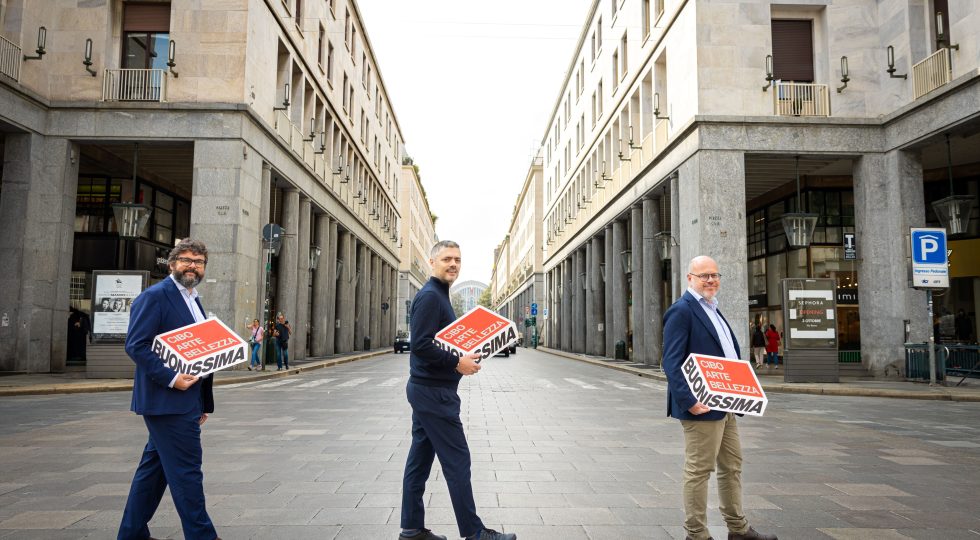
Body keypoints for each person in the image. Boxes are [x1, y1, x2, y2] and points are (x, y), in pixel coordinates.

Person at [400, 240, 516, 540]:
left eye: (457, 259)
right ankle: (475, 533)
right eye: (447, 259)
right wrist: (457, 362)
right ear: (432, 262)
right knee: (457, 460)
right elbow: (420, 345)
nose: (453, 264)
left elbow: (438, 341)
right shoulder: (430, 296)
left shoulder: (439, 294)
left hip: (429, 390)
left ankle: (411, 530)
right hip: (434, 393)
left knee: (419, 461)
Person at [662, 256, 777, 540]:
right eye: (704, 275)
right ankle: (696, 534)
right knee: (699, 470)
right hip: (701, 406)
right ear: (690, 278)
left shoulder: (713, 307)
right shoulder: (682, 311)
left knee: (732, 466)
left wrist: (739, 392)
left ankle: (738, 529)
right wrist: (689, 401)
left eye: (714, 275)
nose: (711, 280)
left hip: (725, 404)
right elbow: (671, 362)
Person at [117, 239, 219, 540]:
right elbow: (136, 345)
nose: (192, 266)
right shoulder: (155, 296)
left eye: (198, 262)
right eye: (186, 260)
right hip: (167, 400)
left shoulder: (193, 298)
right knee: (187, 473)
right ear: (172, 264)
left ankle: (132, 534)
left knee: (153, 472)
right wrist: (172, 378)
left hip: (185, 401)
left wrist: (201, 401)